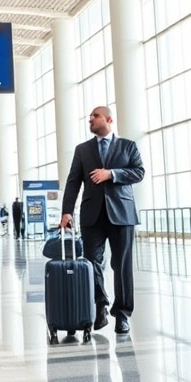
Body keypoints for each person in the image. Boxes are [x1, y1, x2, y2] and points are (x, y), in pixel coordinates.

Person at [60, 106, 144, 335]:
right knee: (92, 263)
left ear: (108, 119)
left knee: (122, 265)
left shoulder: (128, 146)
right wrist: (67, 211)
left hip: (122, 214)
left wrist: (112, 174)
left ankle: (123, 314)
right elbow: (73, 181)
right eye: (89, 117)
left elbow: (138, 172)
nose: (90, 119)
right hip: (92, 215)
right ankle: (100, 305)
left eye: (95, 116)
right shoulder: (82, 150)